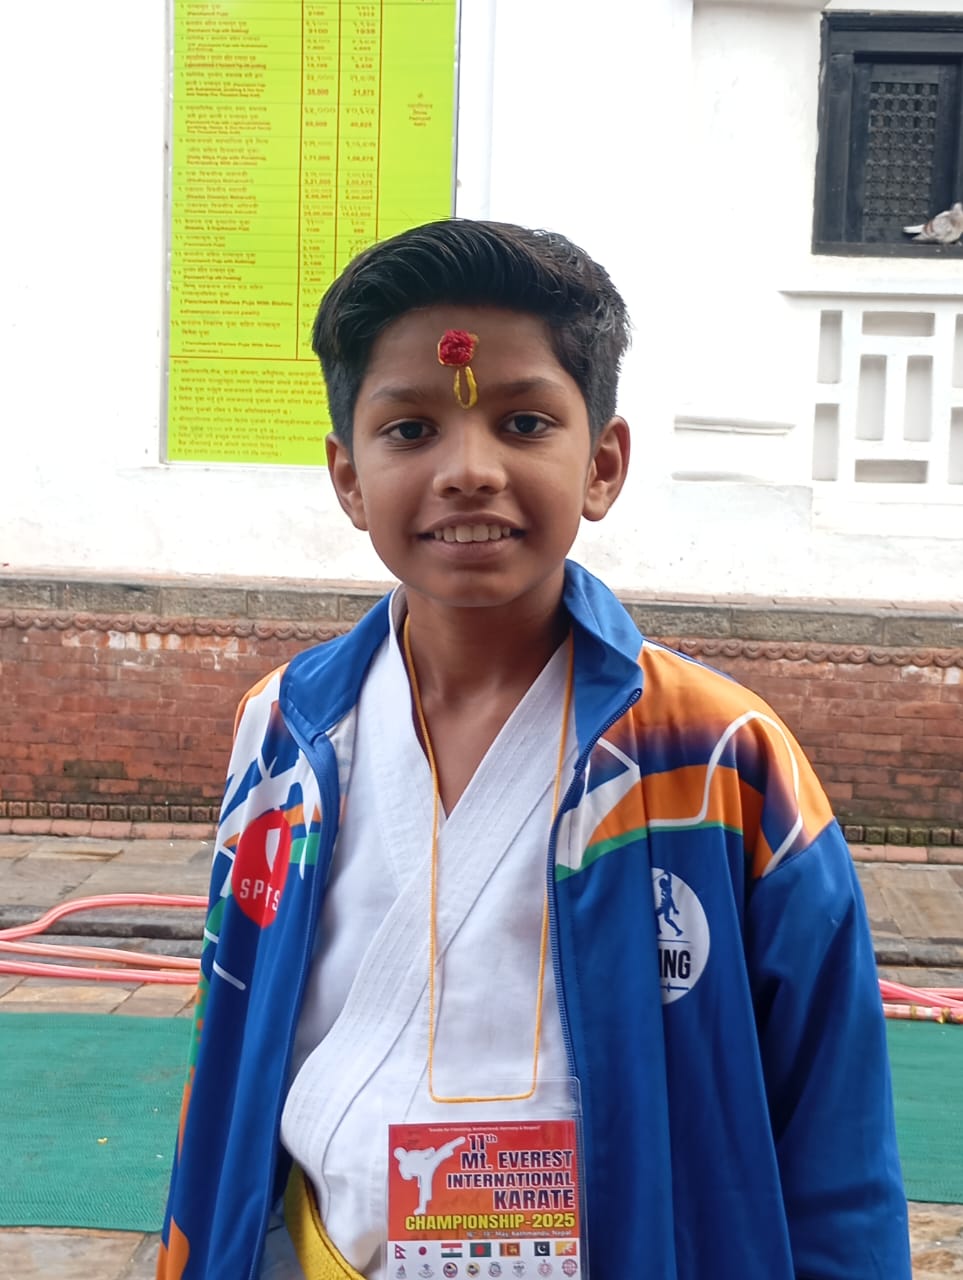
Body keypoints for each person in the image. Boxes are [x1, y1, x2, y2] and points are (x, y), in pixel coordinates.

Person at [157, 219, 911, 1280]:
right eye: (410, 429)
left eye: (522, 422)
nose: (469, 470)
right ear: (348, 477)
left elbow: (833, 1112)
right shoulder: (283, 729)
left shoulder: (718, 754)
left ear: (601, 464)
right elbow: (229, 1039)